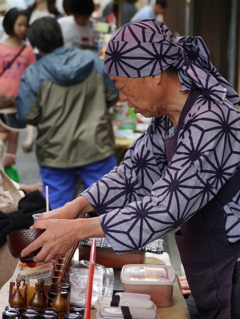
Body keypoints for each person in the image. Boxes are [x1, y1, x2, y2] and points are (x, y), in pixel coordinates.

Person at [21, 19, 240, 318]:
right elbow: (133, 172)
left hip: (232, 267)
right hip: (210, 265)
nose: (122, 98)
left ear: (153, 75)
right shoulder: (168, 117)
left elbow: (165, 206)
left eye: (122, 86)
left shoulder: (210, 120)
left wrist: (76, 230)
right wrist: (76, 206)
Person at [16, 17, 118, 210]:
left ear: (36, 45)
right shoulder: (92, 60)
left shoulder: (34, 73)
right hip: (96, 144)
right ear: (60, 36)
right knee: (107, 206)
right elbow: (113, 95)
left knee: (57, 211)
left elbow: (26, 115)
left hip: (55, 150)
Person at [0, 7, 36, 179]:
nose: (23, 28)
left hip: (17, 101)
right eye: (19, 24)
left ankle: (8, 172)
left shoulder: (28, 50)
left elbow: (31, 75)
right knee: (3, 135)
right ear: (10, 24)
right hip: (1, 101)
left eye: (25, 25)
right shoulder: (1, 48)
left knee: (13, 134)